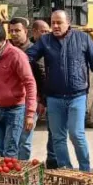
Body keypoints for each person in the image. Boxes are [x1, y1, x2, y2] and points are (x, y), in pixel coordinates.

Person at [27, 10, 93, 171]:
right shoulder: (45, 41)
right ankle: (66, 170)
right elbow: (28, 57)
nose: (55, 26)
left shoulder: (83, 39)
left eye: (59, 22)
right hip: (54, 98)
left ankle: (85, 171)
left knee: (76, 134)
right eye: (53, 23)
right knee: (58, 137)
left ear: (68, 23)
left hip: (77, 96)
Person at [0, 23, 37, 159]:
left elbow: (30, 83)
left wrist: (30, 113)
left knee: (10, 151)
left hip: (14, 111)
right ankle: (3, 173)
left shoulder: (16, 56)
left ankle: (13, 173)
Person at [8, 17, 41, 160]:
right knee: (10, 141)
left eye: (17, 30)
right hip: (12, 103)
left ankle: (23, 168)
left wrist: (41, 100)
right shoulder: (7, 50)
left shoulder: (35, 50)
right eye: (11, 31)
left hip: (29, 102)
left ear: (26, 31)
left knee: (24, 141)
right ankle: (12, 170)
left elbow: (41, 76)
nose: (14, 34)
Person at [28, 18, 55, 167]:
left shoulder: (51, 47)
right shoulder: (31, 50)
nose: (45, 34)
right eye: (42, 31)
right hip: (35, 97)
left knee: (53, 130)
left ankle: (52, 160)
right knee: (26, 133)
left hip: (48, 96)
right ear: (34, 32)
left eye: (47, 31)